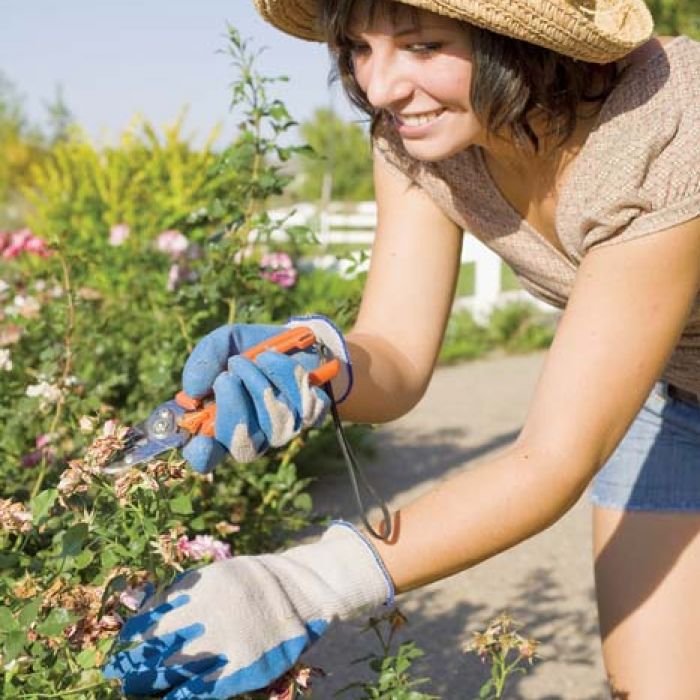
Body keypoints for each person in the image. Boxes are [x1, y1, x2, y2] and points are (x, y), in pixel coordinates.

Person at [103, 0, 700, 698]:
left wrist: (305, 582)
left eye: (421, 46)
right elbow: (396, 355)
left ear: (521, 45)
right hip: (677, 401)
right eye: (359, 46)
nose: (381, 87)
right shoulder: (420, 140)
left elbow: (551, 461)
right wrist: (315, 362)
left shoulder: (668, 129)